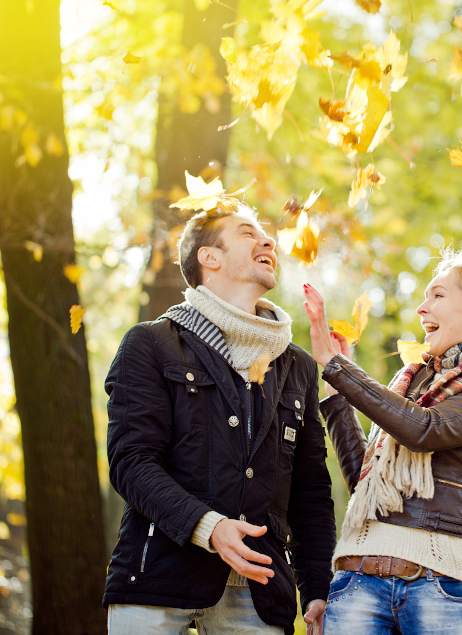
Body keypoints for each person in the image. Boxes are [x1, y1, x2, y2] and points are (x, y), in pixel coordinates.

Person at [103, 203, 335, 635]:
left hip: (261, 593)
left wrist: (319, 587)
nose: (268, 241)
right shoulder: (151, 344)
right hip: (156, 581)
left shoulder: (298, 367)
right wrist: (207, 528)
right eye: (248, 233)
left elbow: (311, 491)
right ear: (209, 257)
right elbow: (131, 462)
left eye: (267, 236)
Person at [303, 247, 462, 634]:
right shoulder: (414, 381)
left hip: (438, 587)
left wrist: (337, 367)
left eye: (437, 295)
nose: (421, 308)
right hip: (356, 582)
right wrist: (338, 398)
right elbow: (365, 486)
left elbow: (426, 430)